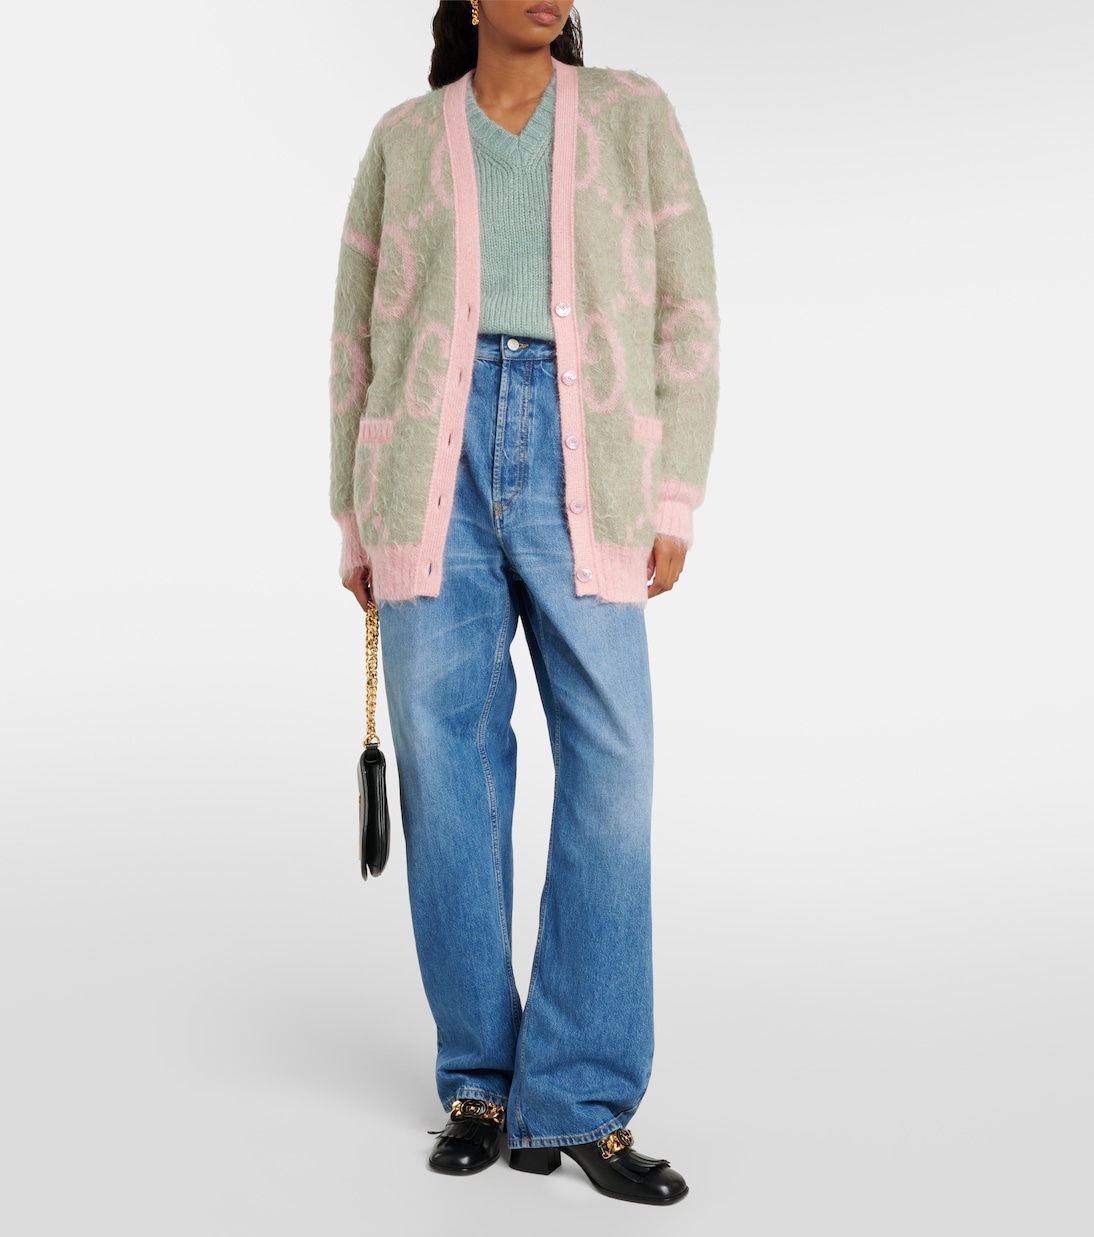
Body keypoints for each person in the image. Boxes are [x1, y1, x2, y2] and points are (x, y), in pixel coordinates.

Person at [329, 0, 718, 1206]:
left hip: (587, 457)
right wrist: (355, 516)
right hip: (424, 469)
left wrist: (673, 491)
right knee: (448, 776)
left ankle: (581, 1094)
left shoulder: (633, 116)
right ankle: (482, 1084)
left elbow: (686, 309)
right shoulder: (403, 139)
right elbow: (354, 339)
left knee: (611, 762)